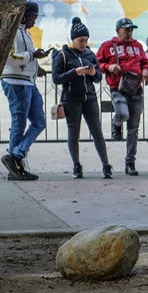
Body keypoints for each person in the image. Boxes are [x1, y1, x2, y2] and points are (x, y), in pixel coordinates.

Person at [51, 18, 112, 179]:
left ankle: (106, 164)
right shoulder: (63, 55)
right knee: (74, 132)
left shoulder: (90, 54)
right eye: (80, 40)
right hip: (71, 99)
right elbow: (56, 78)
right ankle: (76, 165)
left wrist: (93, 73)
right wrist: (74, 73)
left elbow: (98, 77)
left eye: (86, 40)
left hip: (90, 97)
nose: (83, 44)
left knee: (97, 131)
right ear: (73, 39)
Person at [96, 18, 148, 176]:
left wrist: (146, 70)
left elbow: (146, 62)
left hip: (136, 89)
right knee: (122, 114)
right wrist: (108, 67)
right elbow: (97, 64)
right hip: (118, 88)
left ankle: (130, 163)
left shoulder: (137, 46)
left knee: (133, 129)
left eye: (131, 30)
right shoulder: (107, 46)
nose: (129, 33)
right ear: (118, 30)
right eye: (126, 29)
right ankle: (116, 124)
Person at [0, 2, 47, 181]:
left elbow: (24, 57)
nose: (35, 20)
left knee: (39, 122)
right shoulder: (13, 31)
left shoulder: (25, 32)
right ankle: (16, 167)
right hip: (16, 82)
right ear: (24, 16)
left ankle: (16, 156)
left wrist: (36, 67)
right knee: (19, 124)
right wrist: (34, 56)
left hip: (28, 81)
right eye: (33, 16)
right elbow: (11, 58)